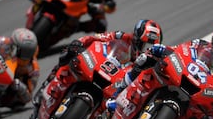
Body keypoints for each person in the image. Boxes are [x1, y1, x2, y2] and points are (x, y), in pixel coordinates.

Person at [106, 24, 213, 119]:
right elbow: (180, 51)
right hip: (180, 76)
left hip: (201, 92)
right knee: (145, 59)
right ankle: (116, 95)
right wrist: (163, 49)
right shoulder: (200, 45)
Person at [32, 19, 164, 112]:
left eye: (150, 47)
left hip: (116, 84)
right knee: (67, 55)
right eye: (144, 45)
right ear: (136, 38)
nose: (145, 49)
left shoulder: (147, 62)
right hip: (101, 65)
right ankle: (48, 82)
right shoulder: (121, 37)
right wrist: (80, 42)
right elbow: (98, 37)